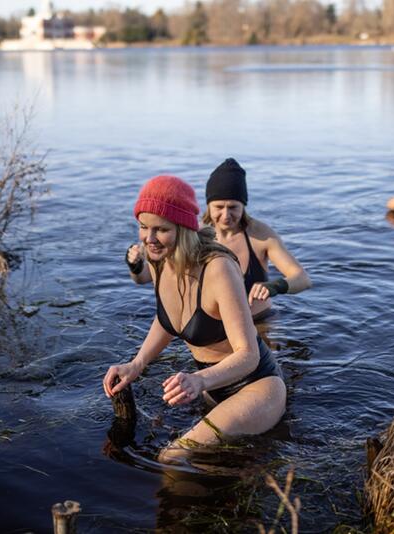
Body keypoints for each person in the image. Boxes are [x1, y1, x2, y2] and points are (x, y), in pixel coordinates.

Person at [105, 175, 286, 464]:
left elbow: (248, 355)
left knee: (172, 456)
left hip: (256, 386)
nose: (149, 239)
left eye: (161, 229)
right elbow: (167, 319)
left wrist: (198, 380)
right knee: (212, 467)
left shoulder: (218, 269)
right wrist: (136, 364)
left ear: (184, 228)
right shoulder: (159, 258)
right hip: (212, 388)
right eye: (143, 227)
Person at [125, 158, 311, 320]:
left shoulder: (261, 235)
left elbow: (302, 278)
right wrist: (136, 265)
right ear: (208, 205)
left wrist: (274, 286)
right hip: (210, 328)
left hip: (259, 321)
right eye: (219, 207)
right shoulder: (192, 235)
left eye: (233, 207)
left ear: (243, 206)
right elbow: (144, 278)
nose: (225, 215)